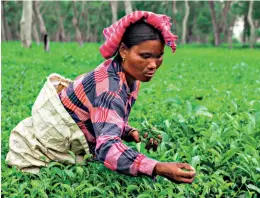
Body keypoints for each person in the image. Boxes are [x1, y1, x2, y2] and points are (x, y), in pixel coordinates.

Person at [6, 11, 196, 184]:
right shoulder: (109, 87)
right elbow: (107, 148)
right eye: (145, 56)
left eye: (158, 56)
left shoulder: (130, 78)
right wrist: (158, 167)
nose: (153, 65)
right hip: (41, 147)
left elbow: (103, 118)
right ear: (123, 51)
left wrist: (130, 132)